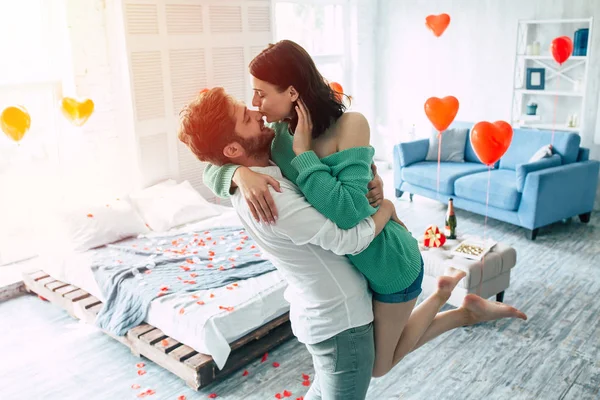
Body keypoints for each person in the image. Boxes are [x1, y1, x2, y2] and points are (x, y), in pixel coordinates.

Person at [178, 88, 528, 399]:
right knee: (374, 368)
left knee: (365, 371)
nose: (257, 110)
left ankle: (461, 311)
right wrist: (388, 207)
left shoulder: (261, 169)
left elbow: (214, 164)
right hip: (339, 321)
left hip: (327, 314)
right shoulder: (272, 197)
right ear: (234, 147)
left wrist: (233, 171)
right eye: (245, 116)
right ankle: (462, 312)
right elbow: (349, 238)